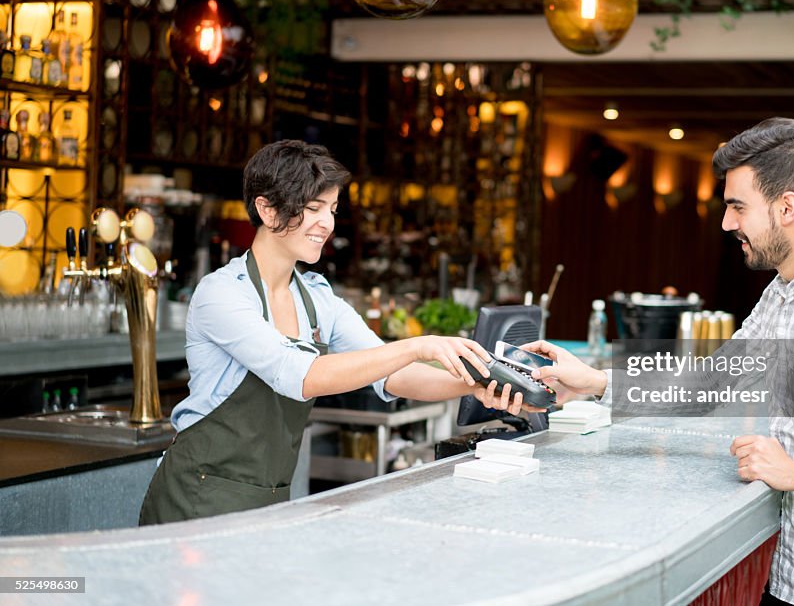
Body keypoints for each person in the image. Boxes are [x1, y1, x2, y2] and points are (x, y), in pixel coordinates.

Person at [523, 118, 794, 606]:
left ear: (787, 207)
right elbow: (709, 383)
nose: (727, 223)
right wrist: (595, 382)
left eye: (737, 206)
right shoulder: (785, 291)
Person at [140, 140, 534, 525]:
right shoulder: (222, 293)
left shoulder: (317, 298)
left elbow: (393, 375)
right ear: (266, 208)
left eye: (332, 209)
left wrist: (476, 383)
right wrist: (416, 345)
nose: (326, 223)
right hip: (195, 500)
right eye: (313, 208)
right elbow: (300, 376)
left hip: (269, 498)